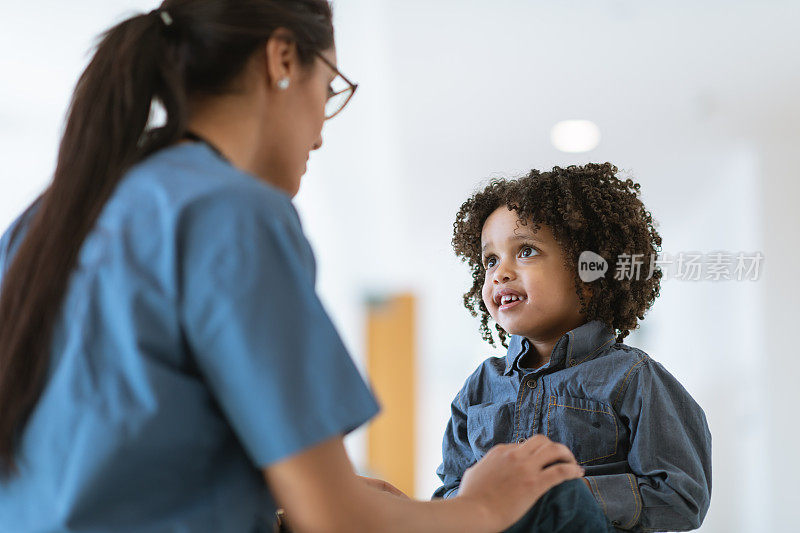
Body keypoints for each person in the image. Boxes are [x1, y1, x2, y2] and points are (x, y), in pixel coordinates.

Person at [0, 1, 606, 531]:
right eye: (331, 86)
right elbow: (339, 519)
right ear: (283, 58)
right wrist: (481, 504)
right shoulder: (230, 212)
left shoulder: (48, 219)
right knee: (554, 501)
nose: (321, 130)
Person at [434, 163, 713, 531]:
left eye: (527, 251)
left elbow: (682, 497)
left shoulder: (633, 379)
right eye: (490, 260)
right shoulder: (479, 387)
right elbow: (451, 490)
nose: (500, 272)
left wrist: (559, 497)